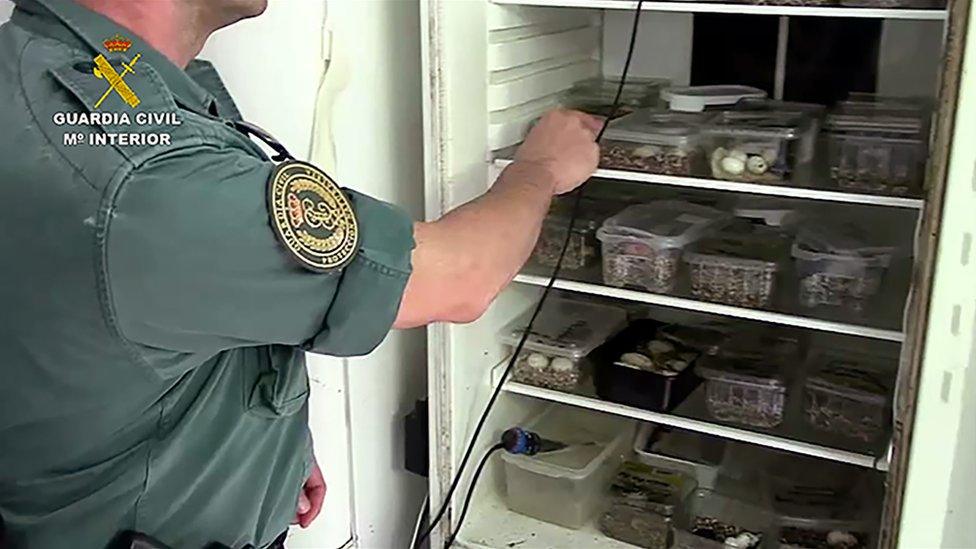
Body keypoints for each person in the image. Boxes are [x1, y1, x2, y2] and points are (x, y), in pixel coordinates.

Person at [0, 0, 601, 547]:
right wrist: (541, 166)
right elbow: (458, 276)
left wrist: (265, 449)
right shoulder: (146, 180)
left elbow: (106, 324)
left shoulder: (39, 71)